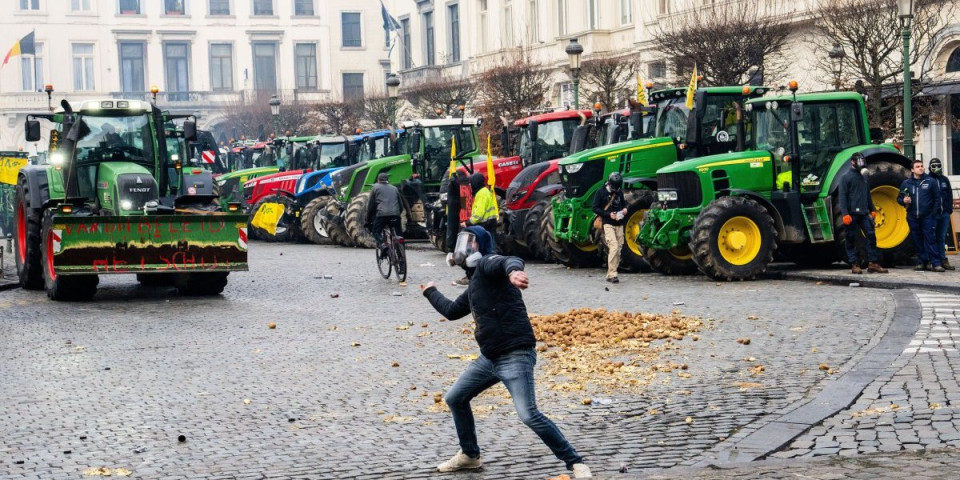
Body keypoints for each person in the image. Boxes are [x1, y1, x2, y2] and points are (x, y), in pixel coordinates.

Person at [419, 226, 592, 478]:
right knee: (455, 398)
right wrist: (430, 292)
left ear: (481, 246)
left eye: (471, 242)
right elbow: (452, 311)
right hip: (489, 358)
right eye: (462, 241)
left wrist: (513, 272)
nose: (464, 248)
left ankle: (575, 462)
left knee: (528, 414)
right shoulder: (475, 282)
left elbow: (508, 261)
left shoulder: (489, 263)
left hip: (515, 354)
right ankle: (469, 455)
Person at [838, 153, 888, 274]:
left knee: (871, 235)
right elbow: (842, 197)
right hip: (851, 214)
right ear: (852, 162)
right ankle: (854, 263)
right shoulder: (845, 177)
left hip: (864, 214)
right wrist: (845, 214)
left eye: (862, 161)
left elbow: (867, 194)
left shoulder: (864, 177)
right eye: (859, 161)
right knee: (850, 238)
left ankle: (873, 263)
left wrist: (872, 209)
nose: (861, 163)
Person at [898, 159, 943, 272]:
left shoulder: (930, 181)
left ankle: (936, 263)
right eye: (918, 166)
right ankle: (922, 262)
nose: (921, 168)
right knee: (917, 240)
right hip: (913, 216)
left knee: (930, 239)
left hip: (928, 216)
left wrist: (933, 214)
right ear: (912, 169)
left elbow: (937, 199)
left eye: (922, 166)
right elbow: (898, 198)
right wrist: (904, 200)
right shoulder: (906, 183)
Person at [593, 172, 628, 283]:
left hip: (619, 223)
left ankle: (612, 272)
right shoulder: (601, 192)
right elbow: (595, 208)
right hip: (608, 223)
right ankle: (612, 274)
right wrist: (608, 215)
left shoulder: (619, 192)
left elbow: (624, 204)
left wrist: (625, 210)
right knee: (614, 246)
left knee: (619, 249)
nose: (616, 189)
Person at [366, 172, 404, 258]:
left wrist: (368, 220)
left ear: (378, 180)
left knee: (376, 231)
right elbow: (401, 206)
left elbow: (370, 206)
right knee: (399, 236)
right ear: (388, 180)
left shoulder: (375, 188)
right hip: (395, 215)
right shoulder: (395, 188)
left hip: (382, 215)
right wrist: (397, 214)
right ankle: (402, 262)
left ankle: (383, 245)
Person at [928, 158, 955, 270]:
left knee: (941, 237)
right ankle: (934, 260)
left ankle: (943, 259)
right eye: (933, 166)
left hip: (944, 214)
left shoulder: (945, 180)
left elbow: (949, 194)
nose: (936, 168)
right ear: (929, 167)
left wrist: (949, 209)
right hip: (932, 215)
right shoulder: (927, 179)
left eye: (938, 165)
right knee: (931, 238)